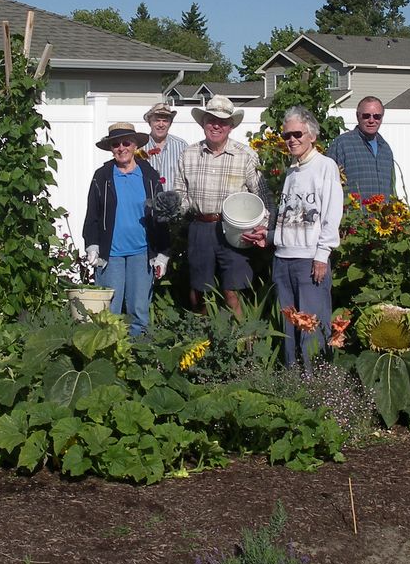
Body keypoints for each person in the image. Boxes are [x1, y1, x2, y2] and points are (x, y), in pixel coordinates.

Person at [243, 106, 342, 366]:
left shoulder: (325, 167)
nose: (291, 140)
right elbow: (293, 219)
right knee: (289, 330)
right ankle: (292, 386)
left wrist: (322, 255)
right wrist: (271, 237)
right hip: (283, 259)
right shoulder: (292, 170)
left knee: (310, 329)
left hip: (309, 262)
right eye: (287, 136)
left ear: (312, 135)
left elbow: (332, 214)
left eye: (297, 134)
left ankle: (316, 388)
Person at [174, 95, 269, 317]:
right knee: (199, 291)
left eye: (223, 121)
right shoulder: (189, 154)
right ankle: (202, 342)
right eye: (211, 120)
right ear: (203, 123)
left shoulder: (246, 155)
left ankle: (244, 342)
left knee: (233, 290)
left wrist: (262, 227)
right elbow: (182, 196)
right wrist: (173, 206)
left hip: (235, 229)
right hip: (201, 227)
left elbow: (263, 197)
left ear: (231, 126)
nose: (216, 125)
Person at [82, 123, 171, 336]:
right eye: (116, 144)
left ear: (134, 145)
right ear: (111, 148)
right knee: (109, 312)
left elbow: (161, 216)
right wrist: (92, 245)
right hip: (111, 253)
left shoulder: (149, 175)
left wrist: (163, 253)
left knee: (138, 312)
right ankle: (110, 355)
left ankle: (138, 358)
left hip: (142, 252)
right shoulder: (102, 176)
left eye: (126, 143)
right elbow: (92, 214)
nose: (121, 148)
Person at [328, 96, 394, 201]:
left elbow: (391, 188)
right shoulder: (342, 144)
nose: (371, 120)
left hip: (381, 216)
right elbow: (328, 185)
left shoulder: (385, 149)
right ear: (358, 116)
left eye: (377, 116)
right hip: (353, 215)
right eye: (366, 116)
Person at [142, 102, 189, 190]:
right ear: (150, 122)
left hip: (174, 201)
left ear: (170, 123)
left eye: (165, 121)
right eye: (157, 120)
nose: (161, 124)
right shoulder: (140, 147)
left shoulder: (181, 146)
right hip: (148, 200)